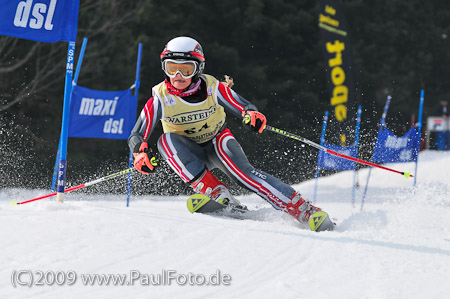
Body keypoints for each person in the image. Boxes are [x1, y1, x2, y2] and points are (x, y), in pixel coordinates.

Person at [128, 36, 329, 229]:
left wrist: (251, 115)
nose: (178, 77)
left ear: (198, 69)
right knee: (165, 141)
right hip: (189, 152)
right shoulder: (160, 98)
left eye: (186, 70)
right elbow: (137, 134)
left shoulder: (212, 88)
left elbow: (242, 105)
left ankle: (303, 209)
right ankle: (216, 192)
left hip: (217, 142)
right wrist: (139, 152)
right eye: (172, 69)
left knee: (244, 175)